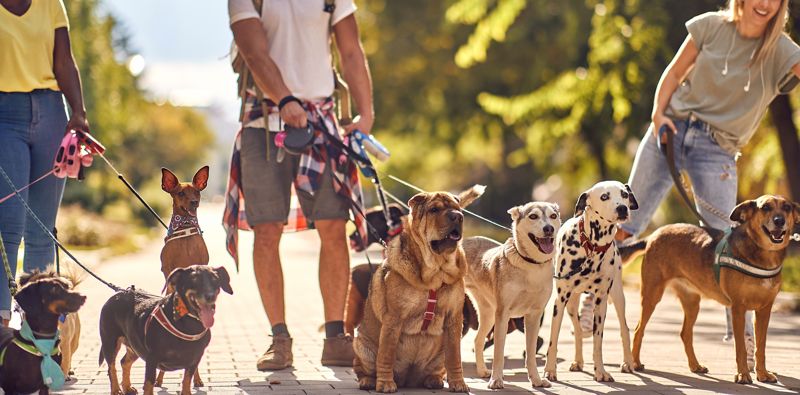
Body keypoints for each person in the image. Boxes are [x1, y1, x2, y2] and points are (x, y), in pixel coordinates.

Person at [580, 0, 800, 368]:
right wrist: (659, 115)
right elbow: (672, 73)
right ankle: (592, 294)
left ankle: (746, 338)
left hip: (719, 149)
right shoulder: (711, 26)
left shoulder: (781, 48)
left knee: (730, 240)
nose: (765, 3)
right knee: (626, 223)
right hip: (670, 130)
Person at [226, 0, 374, 370]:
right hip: (264, 123)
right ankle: (279, 339)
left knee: (332, 224)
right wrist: (285, 99)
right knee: (266, 229)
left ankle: (337, 337)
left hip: (321, 123)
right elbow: (254, 51)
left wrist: (366, 112)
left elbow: (351, 50)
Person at [0, 0, 90, 326]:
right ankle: (1, 327)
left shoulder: (51, 3)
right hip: (4, 115)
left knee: (41, 230)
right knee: (7, 226)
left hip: (52, 113)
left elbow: (64, 61)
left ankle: (43, 329)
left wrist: (78, 112)